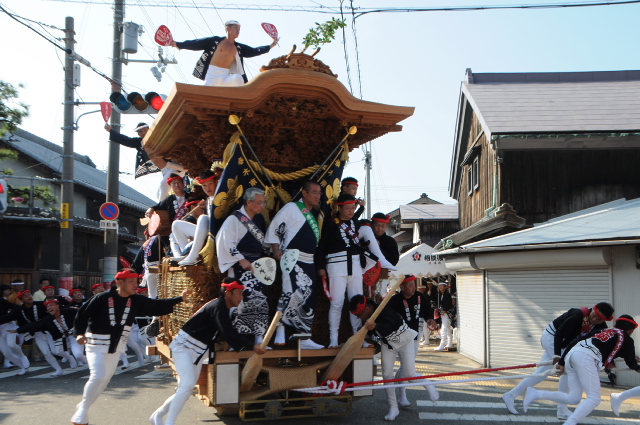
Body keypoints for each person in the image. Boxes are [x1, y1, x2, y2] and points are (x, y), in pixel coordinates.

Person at [71, 269, 189, 425]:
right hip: (96, 344)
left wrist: (180, 299)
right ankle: (82, 412)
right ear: (120, 283)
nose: (136, 284)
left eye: (136, 281)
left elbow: (157, 306)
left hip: (116, 347)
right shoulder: (101, 298)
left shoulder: (136, 300)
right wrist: (79, 333)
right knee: (98, 376)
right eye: (132, 282)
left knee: (104, 380)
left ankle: (83, 407)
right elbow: (82, 315)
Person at [150, 279, 266, 425]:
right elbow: (227, 333)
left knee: (185, 389)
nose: (241, 297)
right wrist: (252, 346)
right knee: (186, 386)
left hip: (197, 351)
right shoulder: (218, 306)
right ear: (228, 293)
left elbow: (227, 332)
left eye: (242, 293)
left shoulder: (222, 307)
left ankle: (157, 416)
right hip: (183, 348)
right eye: (238, 293)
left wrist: (250, 345)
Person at [501, 302, 614, 418]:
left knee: (542, 374)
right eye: (594, 315)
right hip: (552, 338)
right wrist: (557, 355)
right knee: (567, 371)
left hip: (564, 344)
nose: (594, 319)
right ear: (593, 309)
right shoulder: (578, 315)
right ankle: (562, 409)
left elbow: (602, 344)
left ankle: (511, 395)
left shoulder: (601, 327)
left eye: (599, 319)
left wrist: (609, 361)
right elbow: (559, 334)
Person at [523, 315, 640, 425]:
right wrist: (637, 367)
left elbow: (576, 342)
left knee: (574, 398)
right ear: (630, 330)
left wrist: (562, 362)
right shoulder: (626, 337)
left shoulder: (603, 331)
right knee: (594, 398)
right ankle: (570, 423)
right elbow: (631, 363)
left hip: (573, 354)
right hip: (587, 358)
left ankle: (536, 393)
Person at [349, 295, 435, 421]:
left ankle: (428, 384)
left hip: (405, 340)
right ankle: (393, 407)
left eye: (359, 314)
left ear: (366, 309)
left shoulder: (384, 309)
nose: (358, 317)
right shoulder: (367, 318)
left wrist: (376, 326)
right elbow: (373, 332)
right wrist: (365, 331)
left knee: (409, 374)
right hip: (388, 344)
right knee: (387, 375)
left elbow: (391, 326)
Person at [265, 181, 324, 349]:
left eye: (319, 193)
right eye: (314, 192)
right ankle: (280, 330)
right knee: (289, 293)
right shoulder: (292, 207)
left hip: (309, 259)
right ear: (304, 193)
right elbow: (276, 227)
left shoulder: (314, 214)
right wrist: (276, 249)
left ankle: (303, 336)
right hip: (292, 257)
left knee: (309, 296)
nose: (317, 196)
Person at [316, 193, 378, 348]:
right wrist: (320, 266)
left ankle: (359, 338)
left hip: (355, 266)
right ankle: (333, 339)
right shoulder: (331, 223)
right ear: (340, 208)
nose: (351, 211)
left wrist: (361, 207)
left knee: (358, 304)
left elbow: (356, 216)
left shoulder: (354, 222)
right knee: (336, 304)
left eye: (353, 208)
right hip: (336, 266)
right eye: (348, 208)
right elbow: (322, 245)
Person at [216, 188, 270, 343]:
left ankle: (259, 338)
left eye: (264, 203)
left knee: (260, 299)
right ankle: (237, 340)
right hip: (240, 266)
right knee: (239, 301)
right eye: (260, 203)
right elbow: (227, 243)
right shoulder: (234, 219)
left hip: (257, 266)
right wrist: (241, 260)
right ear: (249, 202)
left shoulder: (259, 219)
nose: (263, 206)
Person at [172, 20, 278, 87]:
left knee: (238, 78)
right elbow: (196, 43)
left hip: (226, 76)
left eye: (239, 29)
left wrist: (272, 45)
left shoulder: (238, 48)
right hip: (211, 75)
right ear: (228, 28)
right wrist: (177, 44)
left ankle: (240, 104)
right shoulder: (215, 41)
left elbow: (254, 51)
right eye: (235, 28)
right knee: (203, 95)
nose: (238, 30)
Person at [388, 275, 438, 406]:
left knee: (405, 366)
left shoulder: (420, 297)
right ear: (402, 287)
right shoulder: (395, 300)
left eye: (414, 285)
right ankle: (402, 395)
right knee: (406, 368)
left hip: (414, 336)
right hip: (399, 338)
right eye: (410, 285)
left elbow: (428, 310)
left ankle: (401, 395)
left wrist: (430, 319)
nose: (413, 288)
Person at [104, 122, 186, 200]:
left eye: (143, 130)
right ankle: (165, 205)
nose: (142, 133)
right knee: (159, 193)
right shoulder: (140, 142)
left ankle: (161, 207)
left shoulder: (159, 138)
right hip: (165, 169)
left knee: (163, 184)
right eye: (139, 132)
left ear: (148, 129)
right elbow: (126, 140)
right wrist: (111, 131)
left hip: (176, 166)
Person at [0, 290, 64, 375]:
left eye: (29, 295)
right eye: (26, 296)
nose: (29, 297)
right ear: (22, 300)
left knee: (56, 351)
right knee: (45, 352)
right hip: (36, 333)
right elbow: (11, 315)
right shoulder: (20, 309)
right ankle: (57, 369)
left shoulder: (40, 305)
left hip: (48, 331)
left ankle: (69, 357)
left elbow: (56, 308)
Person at [12, 300, 87, 368]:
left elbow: (83, 313)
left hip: (74, 336)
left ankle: (92, 365)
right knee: (57, 352)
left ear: (57, 306)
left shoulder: (69, 311)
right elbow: (35, 325)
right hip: (61, 338)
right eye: (47, 306)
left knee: (78, 355)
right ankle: (70, 358)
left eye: (51, 305)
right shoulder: (48, 320)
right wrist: (18, 330)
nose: (49, 307)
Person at [171, 169, 220, 266]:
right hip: (207, 233)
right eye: (204, 185)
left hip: (218, 232)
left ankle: (193, 256)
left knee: (203, 218)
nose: (207, 188)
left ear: (216, 182)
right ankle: (186, 253)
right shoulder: (208, 200)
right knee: (176, 224)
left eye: (210, 184)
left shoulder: (221, 197)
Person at [0, 284, 29, 373]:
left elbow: (16, 307)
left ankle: (23, 356)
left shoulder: (2, 301)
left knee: (11, 344)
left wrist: (10, 316)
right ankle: (23, 367)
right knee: (6, 352)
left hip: (9, 326)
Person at [434, 282, 454, 351]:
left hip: (446, 314)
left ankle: (442, 345)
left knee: (444, 329)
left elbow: (448, 305)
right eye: (440, 286)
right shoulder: (442, 294)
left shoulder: (447, 295)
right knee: (447, 329)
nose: (441, 287)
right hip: (444, 314)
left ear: (445, 287)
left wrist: (444, 310)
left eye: (442, 286)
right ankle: (449, 343)